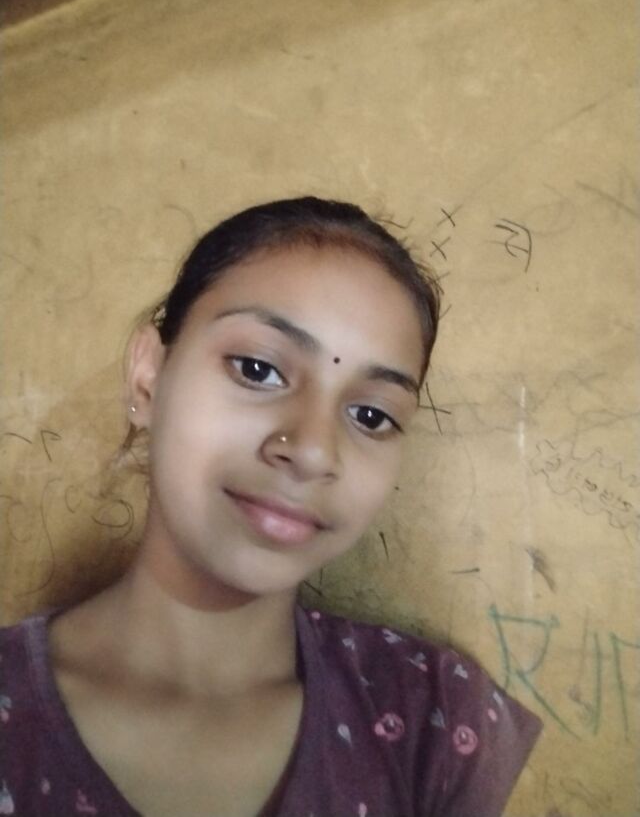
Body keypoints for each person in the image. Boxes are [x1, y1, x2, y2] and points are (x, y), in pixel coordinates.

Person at [0, 197, 542, 817]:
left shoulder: (433, 718)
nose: (312, 451)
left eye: (371, 415)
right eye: (257, 369)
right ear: (148, 377)